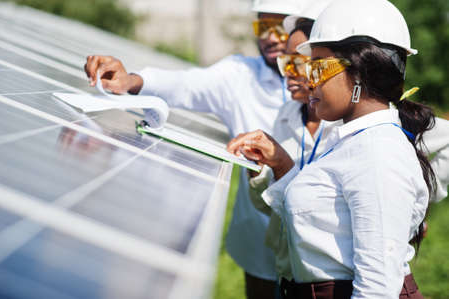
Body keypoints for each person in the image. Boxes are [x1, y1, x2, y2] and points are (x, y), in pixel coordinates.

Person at [227, 0, 447, 297]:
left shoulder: (378, 154)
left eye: (316, 67)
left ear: (359, 72)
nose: (307, 79)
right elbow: (318, 217)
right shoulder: (353, 140)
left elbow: (377, 288)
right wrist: (281, 164)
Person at [83, 1, 301, 298]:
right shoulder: (240, 75)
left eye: (281, 27)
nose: (271, 37)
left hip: (312, 248)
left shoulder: (330, 89)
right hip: (259, 239)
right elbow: (185, 84)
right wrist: (130, 81)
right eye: (263, 26)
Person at [228, 0, 337, 286]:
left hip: (327, 276)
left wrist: (413, 213)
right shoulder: (288, 113)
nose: (287, 71)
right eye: (285, 61)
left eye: (297, 62)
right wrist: (259, 173)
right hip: (288, 270)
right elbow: (272, 207)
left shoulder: (347, 124)